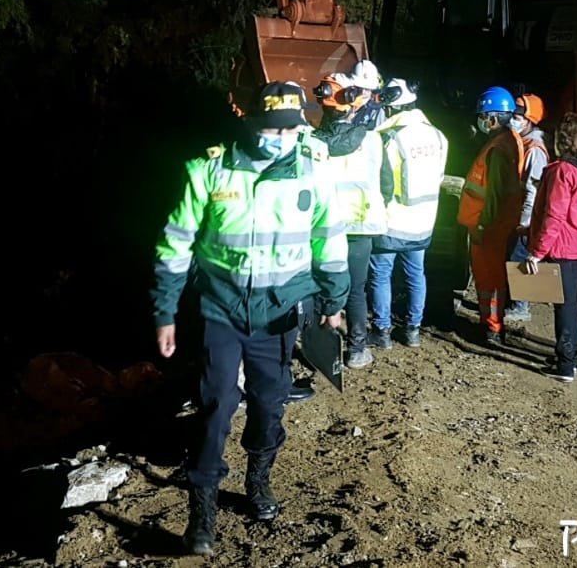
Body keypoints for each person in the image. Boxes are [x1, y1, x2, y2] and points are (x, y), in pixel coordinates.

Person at [151, 81, 349, 554]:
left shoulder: (313, 173)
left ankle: (258, 481)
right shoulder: (210, 170)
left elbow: (330, 238)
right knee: (216, 405)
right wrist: (165, 312)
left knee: (269, 401)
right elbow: (175, 245)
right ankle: (202, 514)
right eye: (272, 128)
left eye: (290, 129)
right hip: (221, 308)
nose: (280, 137)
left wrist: (334, 301)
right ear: (253, 123)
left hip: (280, 312)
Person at [309, 69, 387, 369]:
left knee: (322, 285)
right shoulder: (372, 139)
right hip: (361, 225)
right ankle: (357, 349)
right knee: (356, 290)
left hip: (325, 226)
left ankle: (319, 346)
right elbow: (385, 183)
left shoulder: (315, 143)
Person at [368, 78, 448, 349]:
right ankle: (413, 330)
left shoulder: (389, 138)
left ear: (391, 107)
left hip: (393, 221)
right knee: (416, 274)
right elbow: (437, 177)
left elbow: (383, 183)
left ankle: (382, 332)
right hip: (424, 221)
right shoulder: (438, 135)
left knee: (381, 274)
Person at [524, 113, 577, 382]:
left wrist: (536, 251)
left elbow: (553, 215)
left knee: (564, 306)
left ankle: (566, 364)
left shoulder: (561, 171)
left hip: (563, 248)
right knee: (569, 303)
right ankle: (566, 357)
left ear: (562, 140)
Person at [456, 86, 525, 346]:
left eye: (483, 116)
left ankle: (492, 329)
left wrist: (483, 225)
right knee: (494, 278)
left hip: (488, 226)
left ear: (493, 118)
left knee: (488, 279)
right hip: (501, 222)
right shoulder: (512, 139)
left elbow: (493, 194)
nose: (481, 121)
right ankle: (494, 325)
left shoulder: (497, 148)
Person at [505, 92, 549, 323]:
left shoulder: (534, 149)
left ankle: (521, 307)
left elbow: (533, 190)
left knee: (519, 257)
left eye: (518, 116)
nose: (513, 119)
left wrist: (524, 223)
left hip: (527, 217)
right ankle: (516, 302)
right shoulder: (522, 143)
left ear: (530, 120)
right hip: (519, 213)